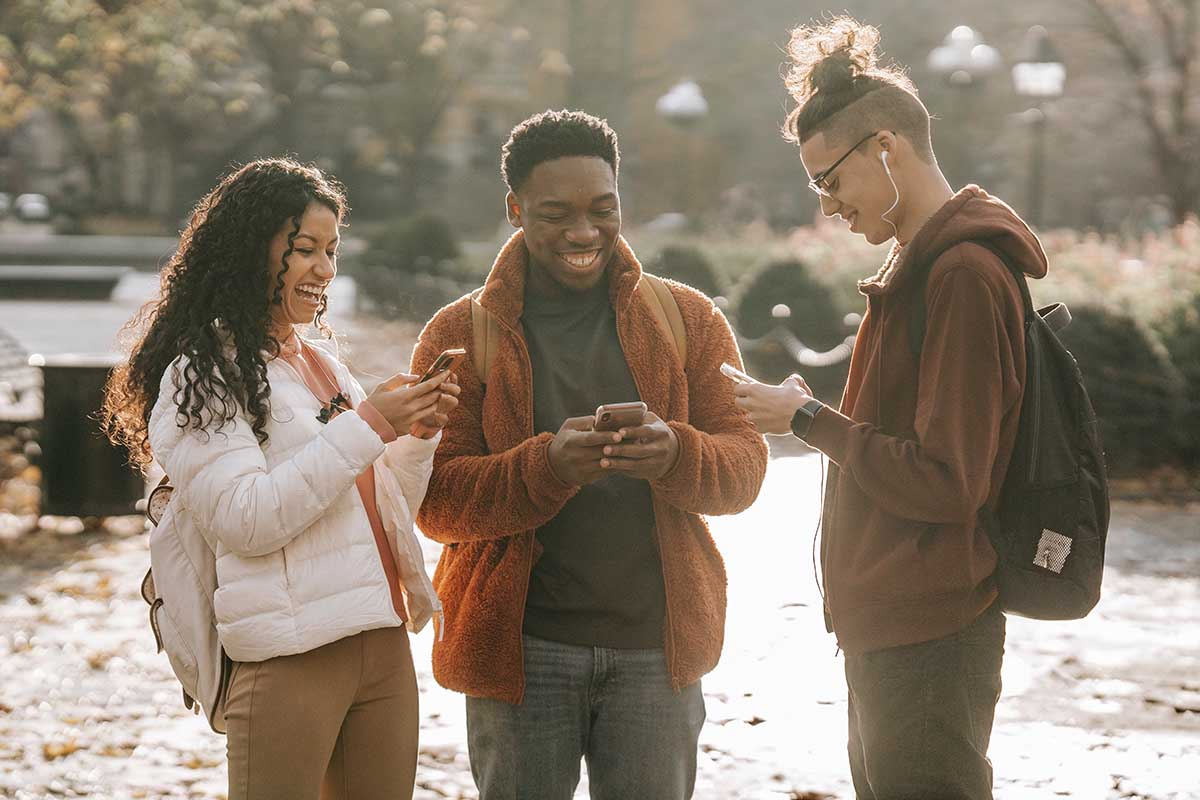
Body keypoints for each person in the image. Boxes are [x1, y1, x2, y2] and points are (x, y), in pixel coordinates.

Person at [733, 17, 1050, 800]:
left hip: (931, 629)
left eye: (830, 181)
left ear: (886, 147)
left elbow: (947, 481)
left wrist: (805, 421)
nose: (829, 206)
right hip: (898, 625)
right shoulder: (922, 264)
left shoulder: (963, 273)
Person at [411, 109, 768, 799]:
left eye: (603, 209)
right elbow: (434, 502)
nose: (584, 232)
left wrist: (676, 453)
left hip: (657, 654)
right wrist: (544, 469)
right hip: (521, 654)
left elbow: (746, 468)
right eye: (556, 213)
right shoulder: (460, 334)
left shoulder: (687, 318)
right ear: (515, 210)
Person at [102, 157, 459, 800]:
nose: (325, 268)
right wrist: (370, 424)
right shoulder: (203, 375)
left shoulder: (319, 363)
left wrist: (416, 437)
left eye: (332, 250)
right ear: (249, 252)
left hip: (379, 643)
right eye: (304, 249)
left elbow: (383, 510)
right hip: (291, 657)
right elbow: (247, 520)